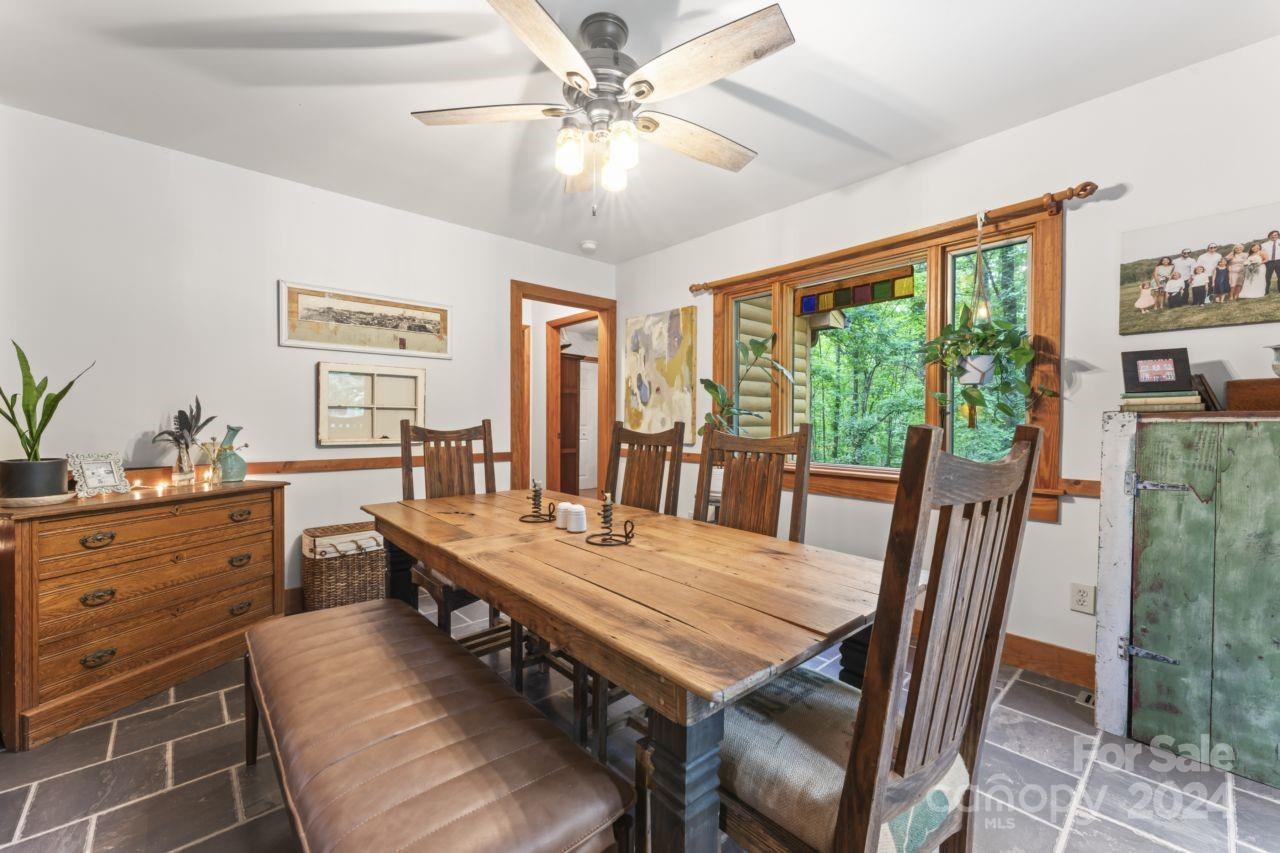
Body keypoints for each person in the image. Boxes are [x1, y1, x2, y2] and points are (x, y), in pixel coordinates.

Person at [1263, 230, 1280, 295]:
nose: (1273, 236)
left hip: (1279, 261)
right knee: (1267, 277)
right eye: (1272, 235)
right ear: (1269, 236)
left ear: (1278, 235)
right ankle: (1266, 291)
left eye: (1275, 235)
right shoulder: (1264, 245)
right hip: (1269, 262)